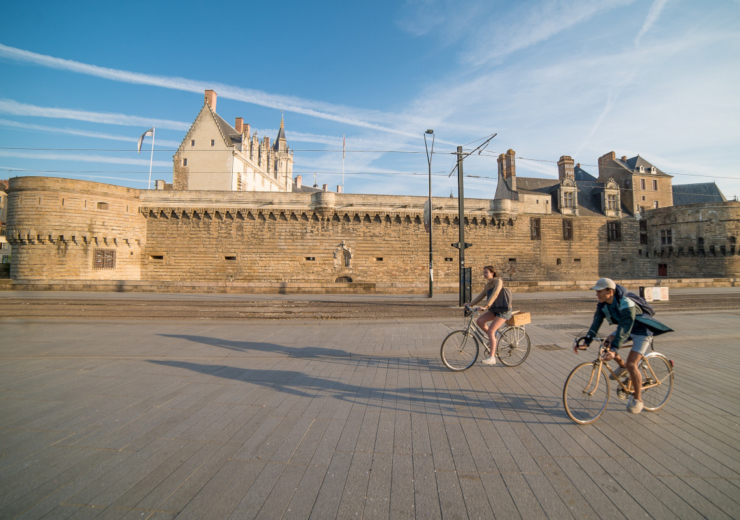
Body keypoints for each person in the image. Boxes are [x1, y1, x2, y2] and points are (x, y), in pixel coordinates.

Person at [574, 278, 673, 414]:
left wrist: (614, 349)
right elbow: (597, 321)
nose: (597, 294)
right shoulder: (603, 304)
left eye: (599, 291)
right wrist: (587, 341)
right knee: (606, 343)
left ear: (610, 291)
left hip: (642, 332)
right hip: (626, 330)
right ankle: (622, 367)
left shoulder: (626, 302)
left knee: (632, 363)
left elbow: (625, 326)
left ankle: (637, 399)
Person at [466, 266, 512, 365]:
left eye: (486, 272)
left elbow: (495, 294)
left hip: (503, 310)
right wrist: (470, 304)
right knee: (480, 321)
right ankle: (494, 338)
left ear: (492, 273)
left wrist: (486, 306)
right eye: (484, 273)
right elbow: (481, 295)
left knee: (491, 330)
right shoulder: (488, 285)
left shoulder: (498, 281)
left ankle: (492, 357)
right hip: (494, 309)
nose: (484, 274)